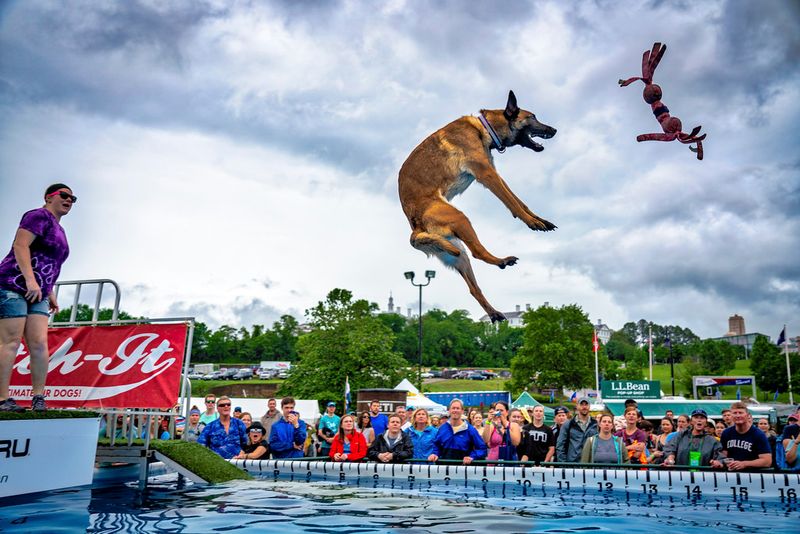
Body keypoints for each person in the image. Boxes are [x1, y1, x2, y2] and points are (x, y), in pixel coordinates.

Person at [0, 184, 75, 412]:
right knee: (10, 341)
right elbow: (21, 246)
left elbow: (51, 264)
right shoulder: (37, 216)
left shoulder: (61, 231)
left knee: (39, 344)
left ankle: (38, 397)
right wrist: (31, 281)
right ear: (48, 197)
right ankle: (2, 399)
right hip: (12, 284)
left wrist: (49, 290)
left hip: (39, 292)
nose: (69, 200)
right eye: (64, 195)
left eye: (73, 198)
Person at [428, 399, 487, 464]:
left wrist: (472, 456)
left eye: (458, 408)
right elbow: (437, 445)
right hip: (444, 469)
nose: (455, 410)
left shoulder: (470, 429)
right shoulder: (442, 428)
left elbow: (482, 449)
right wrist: (435, 454)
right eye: (453, 408)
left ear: (462, 411)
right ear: (449, 410)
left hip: (462, 469)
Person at [718, 401, 772, 471]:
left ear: (747, 415)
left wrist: (744, 464)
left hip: (752, 475)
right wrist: (720, 462)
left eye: (740, 413)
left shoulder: (758, 434)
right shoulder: (726, 433)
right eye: (735, 413)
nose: (738, 416)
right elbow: (723, 455)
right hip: (731, 474)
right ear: (731, 416)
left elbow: (767, 461)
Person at [556, 398, 598, 463]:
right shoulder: (568, 424)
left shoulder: (596, 424)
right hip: (572, 464)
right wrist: (563, 464)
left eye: (586, 405)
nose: (584, 407)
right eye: (581, 405)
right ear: (577, 406)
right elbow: (560, 445)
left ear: (589, 407)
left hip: (591, 464)